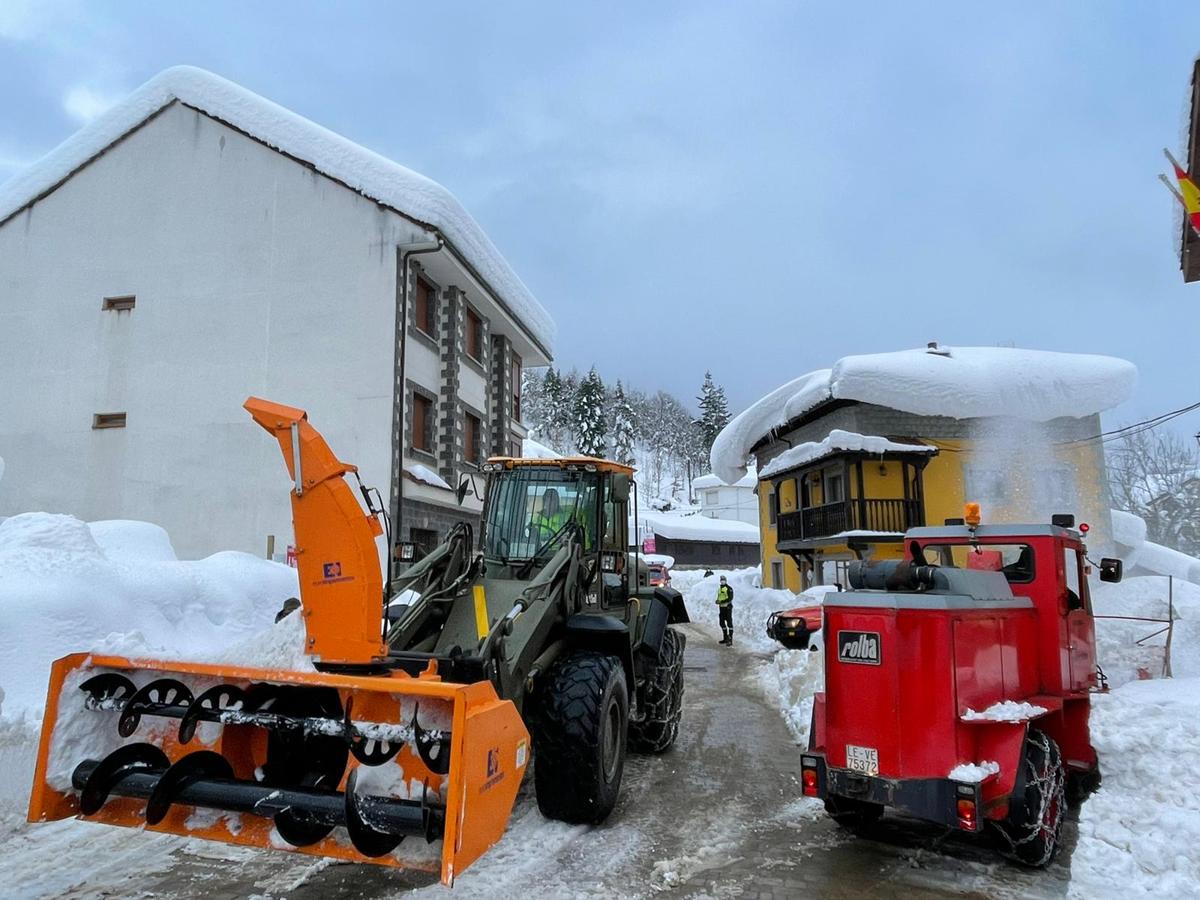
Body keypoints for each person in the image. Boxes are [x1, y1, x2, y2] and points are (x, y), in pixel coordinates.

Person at [715, 575, 734, 646]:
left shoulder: (729, 588)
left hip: (727, 608)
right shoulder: (720, 588)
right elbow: (720, 597)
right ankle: (725, 638)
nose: (722, 581)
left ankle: (730, 639)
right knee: (721, 623)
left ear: (726, 580)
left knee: (729, 623)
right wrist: (717, 601)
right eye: (721, 580)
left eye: (723, 579)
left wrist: (721, 602)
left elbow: (730, 598)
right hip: (721, 608)